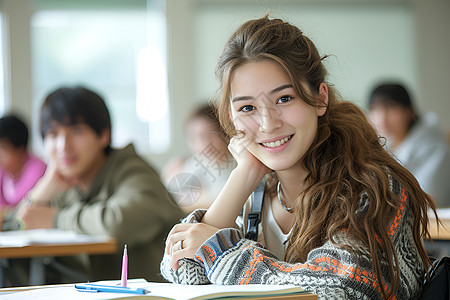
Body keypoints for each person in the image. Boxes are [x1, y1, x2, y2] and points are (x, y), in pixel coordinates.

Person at [160, 15, 438, 299]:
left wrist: (220, 252)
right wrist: (243, 177)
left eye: (284, 99)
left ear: (320, 99)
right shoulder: (257, 188)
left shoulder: (372, 186)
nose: (267, 124)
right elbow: (182, 267)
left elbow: (340, 290)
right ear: (230, 118)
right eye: (247, 108)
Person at [2, 86, 184, 283]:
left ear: (103, 135)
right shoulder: (63, 183)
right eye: (53, 134)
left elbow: (119, 222)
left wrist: (56, 219)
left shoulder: (130, 169)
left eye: (76, 131)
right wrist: (41, 192)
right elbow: (13, 225)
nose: (64, 146)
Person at [368, 83, 450, 207]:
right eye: (374, 109)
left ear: (409, 111)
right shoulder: (381, 146)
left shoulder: (436, 150)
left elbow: (428, 201)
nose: (382, 117)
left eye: (391, 107)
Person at [161, 103, 235, 212]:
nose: (203, 144)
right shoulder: (199, 162)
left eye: (209, 135)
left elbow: (223, 203)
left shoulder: (234, 165)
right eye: (194, 137)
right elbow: (168, 192)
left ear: (224, 133)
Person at [0, 115, 46, 216]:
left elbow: (28, 207)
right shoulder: (3, 171)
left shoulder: (38, 170)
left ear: (20, 148)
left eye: (3, 148)